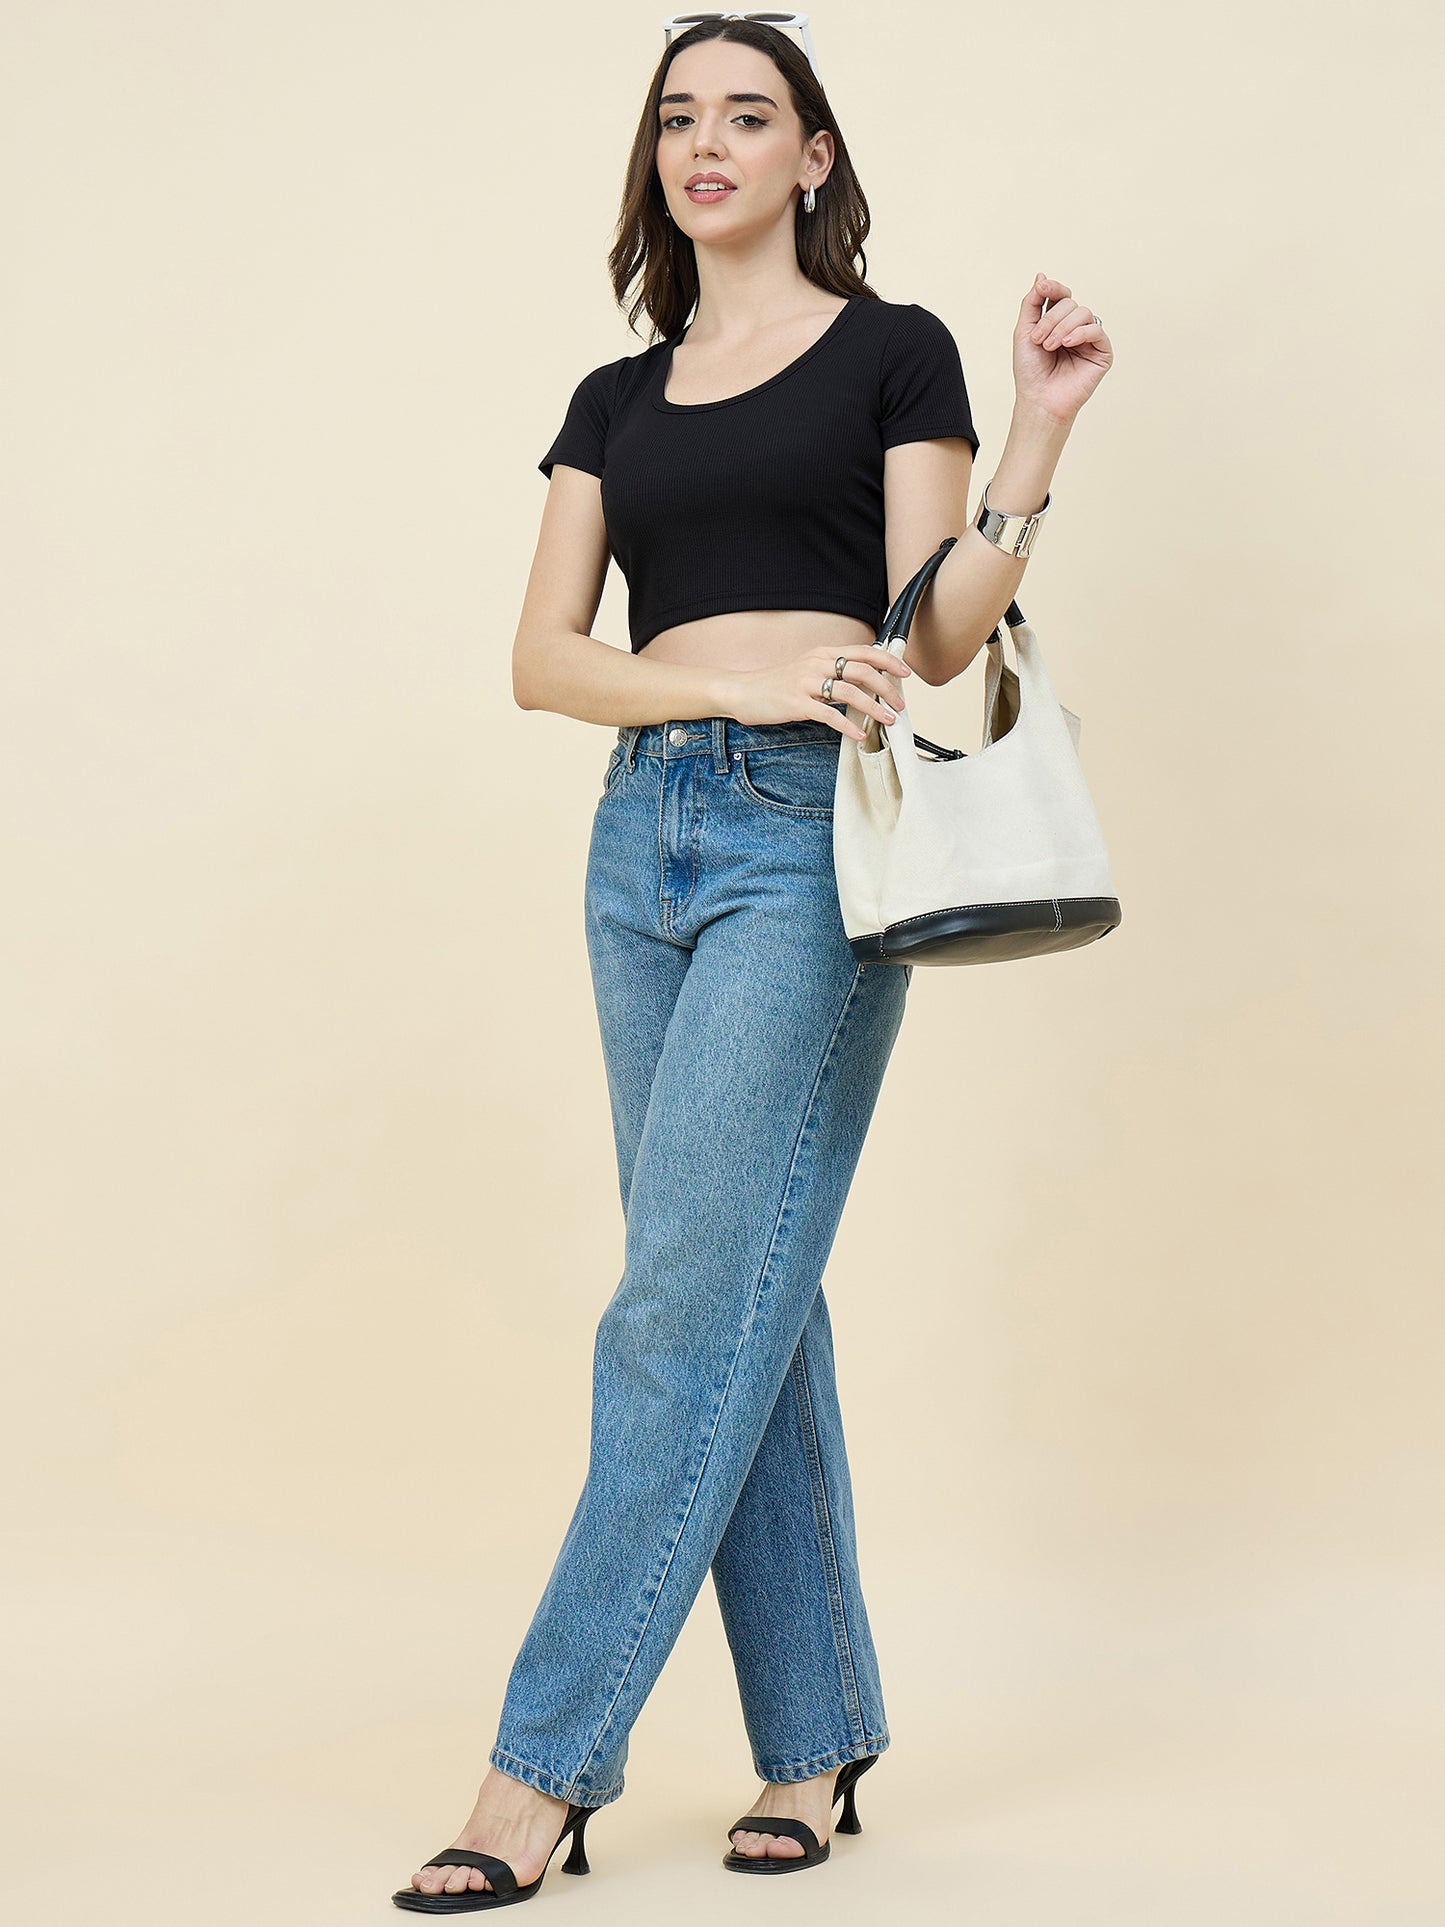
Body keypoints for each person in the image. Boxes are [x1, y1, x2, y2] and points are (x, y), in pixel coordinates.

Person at [394, 13, 1111, 1912]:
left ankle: (537, 1771)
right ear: (656, 160)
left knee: (679, 1309)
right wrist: (720, 684)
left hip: (807, 841)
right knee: (735, 1294)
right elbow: (544, 658)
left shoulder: (892, 350)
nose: (705, 142)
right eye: (676, 118)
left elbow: (932, 632)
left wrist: (1035, 435)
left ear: (812, 156)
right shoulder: (613, 399)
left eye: (748, 114)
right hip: (639, 840)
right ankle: (816, 1735)